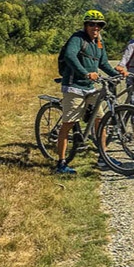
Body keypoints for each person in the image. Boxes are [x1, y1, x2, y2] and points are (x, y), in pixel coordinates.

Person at [55, 10, 123, 174]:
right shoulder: (77, 38)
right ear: (86, 25)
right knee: (68, 124)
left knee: (100, 120)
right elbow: (70, 56)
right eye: (92, 24)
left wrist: (117, 74)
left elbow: (104, 63)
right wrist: (85, 73)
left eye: (99, 25)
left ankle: (103, 157)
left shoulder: (99, 42)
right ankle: (61, 164)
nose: (95, 27)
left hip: (90, 87)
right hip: (74, 86)